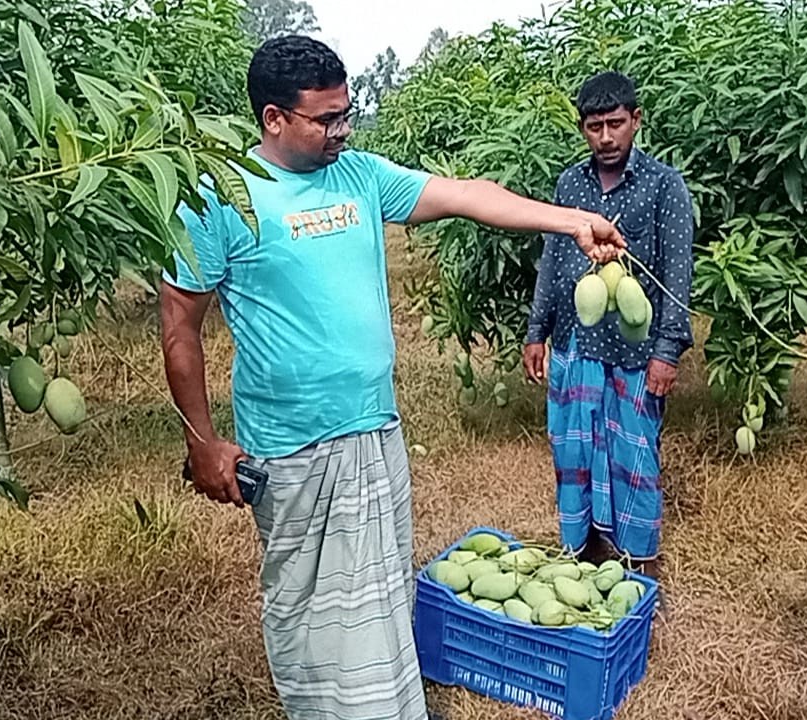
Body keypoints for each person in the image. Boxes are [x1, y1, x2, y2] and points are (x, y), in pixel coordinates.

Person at [158, 36, 624, 720]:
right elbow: (179, 329)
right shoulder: (222, 198)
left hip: (374, 432)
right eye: (325, 119)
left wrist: (573, 221)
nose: (341, 129)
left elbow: (469, 196)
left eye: (346, 113)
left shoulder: (360, 177)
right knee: (311, 614)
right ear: (273, 119)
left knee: (377, 601)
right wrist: (202, 441)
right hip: (292, 448)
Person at [523, 71, 694, 580]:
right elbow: (554, 262)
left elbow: (677, 273)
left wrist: (668, 349)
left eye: (615, 124)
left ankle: (640, 562)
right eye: (594, 126)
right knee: (574, 451)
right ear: (582, 128)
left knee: (632, 456)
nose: (605, 137)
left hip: (635, 354)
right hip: (577, 345)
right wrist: (537, 331)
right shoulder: (569, 185)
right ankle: (585, 553)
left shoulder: (665, 187)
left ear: (636, 120)